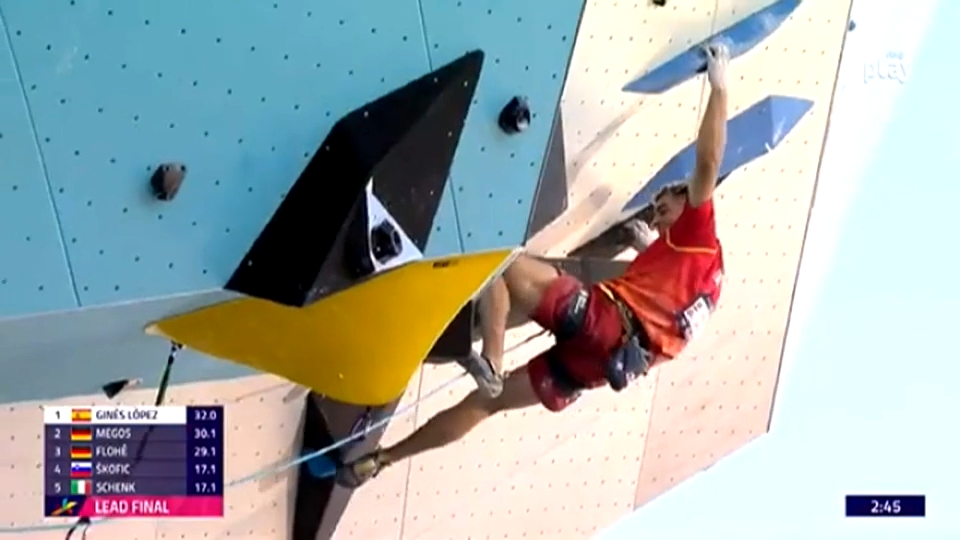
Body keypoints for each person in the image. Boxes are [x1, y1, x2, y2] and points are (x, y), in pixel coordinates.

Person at [335, 43, 730, 488]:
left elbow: (709, 161)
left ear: (686, 201)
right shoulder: (703, 286)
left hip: (599, 324)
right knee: (485, 406)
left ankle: (492, 359)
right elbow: (660, 312)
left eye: (664, 206)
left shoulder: (700, 236)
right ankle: (382, 459)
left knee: (503, 260)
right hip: (597, 371)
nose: (657, 217)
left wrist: (719, 88)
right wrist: (645, 251)